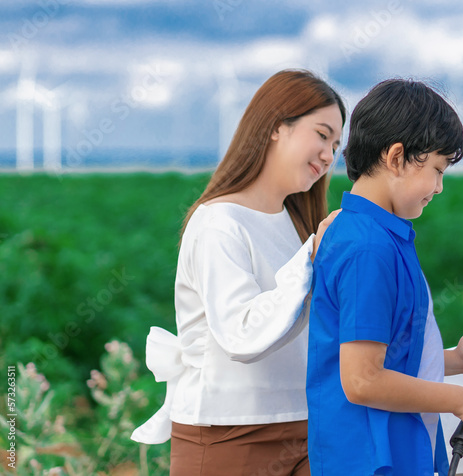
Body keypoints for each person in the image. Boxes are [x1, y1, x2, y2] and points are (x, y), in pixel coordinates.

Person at [130, 69, 346, 476]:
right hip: (228, 434)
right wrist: (311, 256)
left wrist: (449, 361)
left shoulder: (296, 224)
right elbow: (241, 336)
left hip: (305, 427)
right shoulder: (219, 222)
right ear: (276, 127)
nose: (329, 155)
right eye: (321, 134)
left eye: (336, 145)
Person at [306, 79, 463, 476]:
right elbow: (362, 379)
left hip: (395, 452)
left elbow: (390, 359)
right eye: (437, 170)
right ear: (397, 157)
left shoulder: (381, 237)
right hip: (368, 460)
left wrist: (454, 360)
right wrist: (458, 400)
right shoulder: (367, 248)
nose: (439, 187)